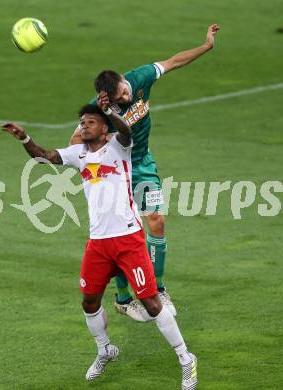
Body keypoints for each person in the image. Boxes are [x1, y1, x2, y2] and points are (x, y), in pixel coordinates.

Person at [1, 96, 198, 389]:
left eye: (90, 122)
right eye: (82, 122)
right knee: (89, 300)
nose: (83, 126)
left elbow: (128, 131)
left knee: (151, 301)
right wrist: (24, 138)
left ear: (104, 128)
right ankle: (105, 349)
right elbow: (43, 155)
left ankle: (186, 359)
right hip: (98, 243)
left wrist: (107, 110)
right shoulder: (77, 154)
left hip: (129, 239)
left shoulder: (120, 146)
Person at [70, 24, 220, 321]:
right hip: (116, 174)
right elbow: (75, 142)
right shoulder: (97, 111)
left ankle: (159, 288)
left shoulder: (139, 78)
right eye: (119, 99)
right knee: (121, 235)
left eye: (125, 93)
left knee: (157, 221)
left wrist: (206, 46)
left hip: (143, 163)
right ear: (106, 100)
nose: (125, 98)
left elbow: (174, 62)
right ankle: (124, 299)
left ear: (126, 81)